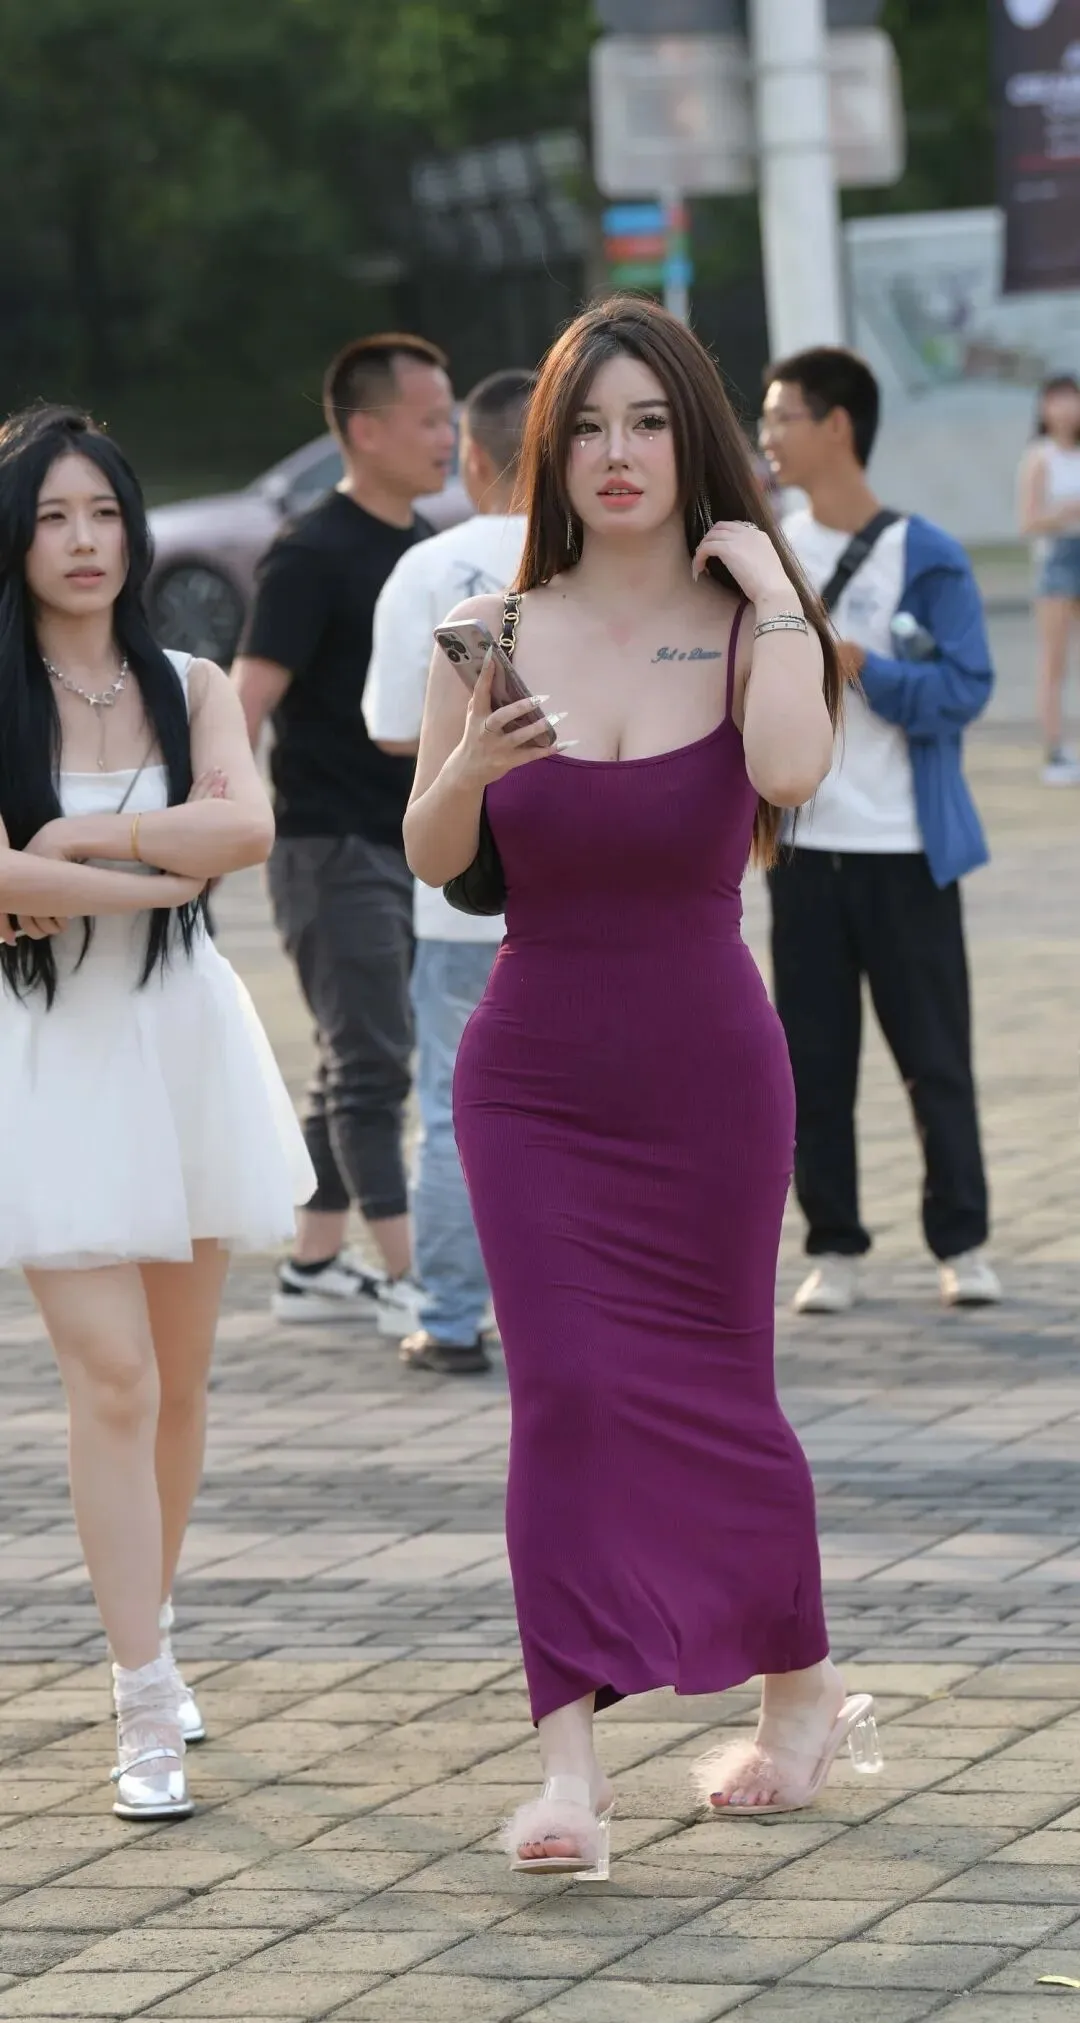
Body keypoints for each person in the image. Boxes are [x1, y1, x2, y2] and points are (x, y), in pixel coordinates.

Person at [403, 295, 883, 1874]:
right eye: (590, 426)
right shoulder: (484, 626)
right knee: (566, 1394)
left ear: (698, 444)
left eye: (651, 424)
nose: (618, 455)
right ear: (551, 449)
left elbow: (792, 773)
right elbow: (434, 851)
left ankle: (799, 1690)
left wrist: (778, 595)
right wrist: (469, 767)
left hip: (707, 1075)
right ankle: (570, 1772)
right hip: (532, 1078)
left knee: (723, 1391)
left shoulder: (748, 626)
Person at [0, 405, 313, 1820]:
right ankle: (141, 1701)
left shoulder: (188, 682)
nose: (84, 542)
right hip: (47, 1052)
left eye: (105, 514)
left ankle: (155, 1629)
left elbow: (244, 829)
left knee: (180, 1386)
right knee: (113, 1379)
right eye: (53, 517)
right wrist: (154, 876)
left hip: (182, 1044)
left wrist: (77, 840)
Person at [759, 346, 1000, 1318]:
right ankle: (835, 1245)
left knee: (935, 1058)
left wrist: (865, 666)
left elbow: (967, 687)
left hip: (907, 852)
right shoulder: (767, 553)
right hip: (804, 852)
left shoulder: (924, 553)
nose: (768, 438)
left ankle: (963, 1243)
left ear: (837, 426)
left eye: (782, 417)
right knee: (813, 1062)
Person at [233, 333, 456, 1331]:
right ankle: (415, 1277)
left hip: (406, 838)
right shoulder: (311, 552)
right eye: (430, 420)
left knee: (349, 1058)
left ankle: (316, 1263)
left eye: (451, 420)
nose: (447, 438)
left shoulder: (423, 548)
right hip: (328, 847)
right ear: (365, 430)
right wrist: (220, 832)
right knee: (374, 1064)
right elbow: (246, 699)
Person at [364, 368, 533, 1376]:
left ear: (474, 455)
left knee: (453, 1109)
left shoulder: (432, 566)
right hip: (588, 894)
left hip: (463, 895)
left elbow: (394, 728)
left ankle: (453, 1317)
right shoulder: (608, 564)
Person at [1017, 373, 1080, 785]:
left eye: (1071, 399)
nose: (1065, 408)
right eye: (1056, 400)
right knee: (1054, 661)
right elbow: (1028, 521)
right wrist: (1066, 511)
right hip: (1057, 558)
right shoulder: (1040, 457)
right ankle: (1055, 750)